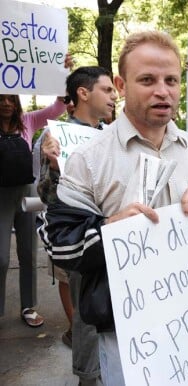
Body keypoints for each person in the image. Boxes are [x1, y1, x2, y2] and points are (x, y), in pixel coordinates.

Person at [36, 31, 188, 386]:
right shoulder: (88, 158)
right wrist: (110, 228)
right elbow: (59, 242)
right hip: (131, 335)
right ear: (122, 85)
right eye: (147, 80)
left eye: (171, 80)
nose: (163, 90)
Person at [37, 66, 118, 385]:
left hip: (114, 230)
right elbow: (46, 195)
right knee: (88, 311)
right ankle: (89, 377)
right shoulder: (56, 137)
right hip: (82, 239)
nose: (114, 96)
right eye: (107, 90)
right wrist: (55, 168)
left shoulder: (111, 135)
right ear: (84, 93)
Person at [0, 53, 73, 328]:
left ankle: (28, 306)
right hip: (0, 196)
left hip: (27, 193)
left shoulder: (28, 122)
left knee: (29, 254)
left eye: (10, 98)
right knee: (1, 258)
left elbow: (58, 108)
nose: (6, 103)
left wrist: (62, 74)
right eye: (1, 98)